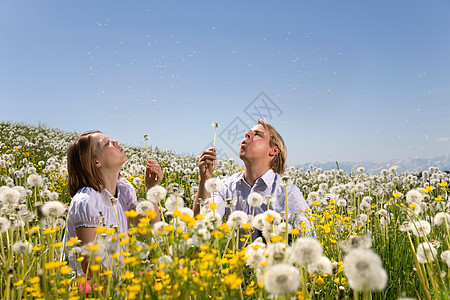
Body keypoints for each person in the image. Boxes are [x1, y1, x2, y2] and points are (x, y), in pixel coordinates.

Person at [193, 119, 313, 240]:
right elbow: (202, 226)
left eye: (257, 134)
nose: (247, 135)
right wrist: (205, 180)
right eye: (248, 133)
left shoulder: (288, 193)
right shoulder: (225, 187)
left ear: (274, 150)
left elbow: (308, 240)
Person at [64, 130, 162, 276]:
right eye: (106, 143)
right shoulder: (86, 200)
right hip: (90, 285)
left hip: (116, 280)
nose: (115, 141)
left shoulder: (124, 190)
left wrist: (152, 190)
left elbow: (151, 233)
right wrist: (120, 287)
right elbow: (88, 263)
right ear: (96, 162)